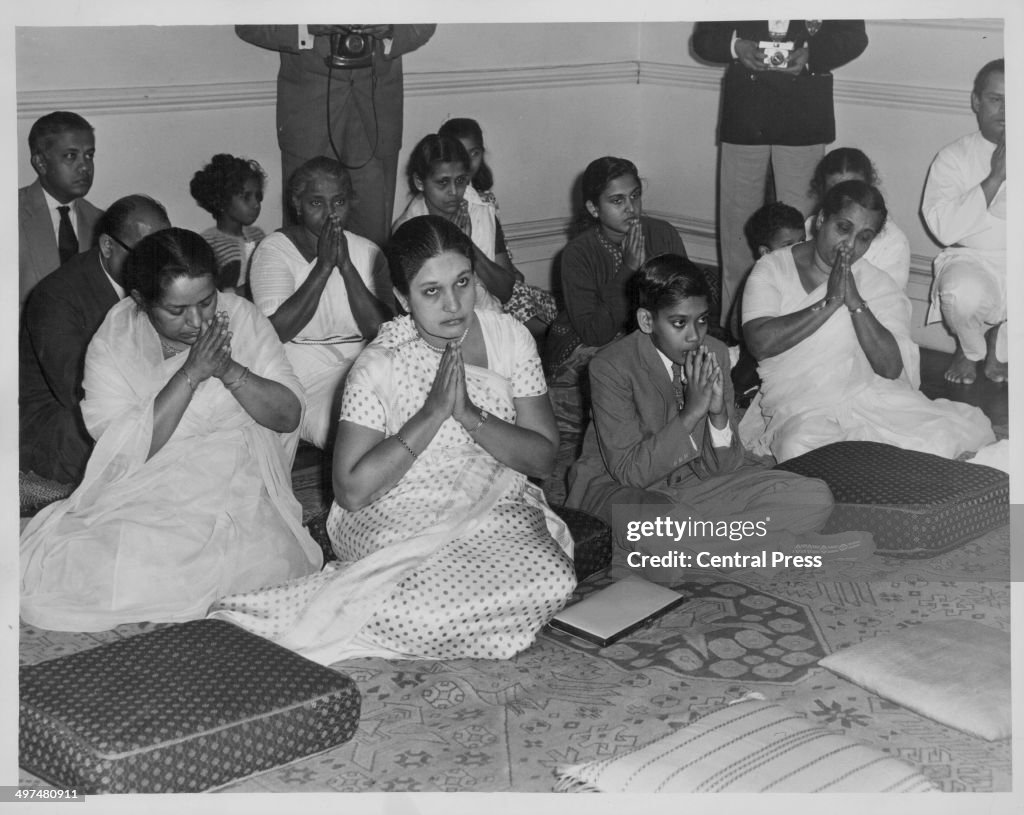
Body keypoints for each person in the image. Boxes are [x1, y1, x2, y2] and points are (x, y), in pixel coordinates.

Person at [209, 215, 576, 664]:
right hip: (395, 505)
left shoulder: (510, 339)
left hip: (493, 501)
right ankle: (342, 613)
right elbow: (352, 489)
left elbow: (542, 459)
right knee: (425, 602)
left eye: (462, 282)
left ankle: (408, 615)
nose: (453, 304)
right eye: (431, 291)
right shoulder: (379, 363)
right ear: (402, 298)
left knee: (552, 577)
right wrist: (432, 414)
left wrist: (469, 415)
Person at [20, 228, 322, 632]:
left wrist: (229, 370)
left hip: (237, 477)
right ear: (142, 301)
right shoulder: (114, 339)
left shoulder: (243, 318)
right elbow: (124, 450)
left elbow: (287, 416)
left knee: (246, 566)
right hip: (148, 478)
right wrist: (191, 374)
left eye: (206, 302)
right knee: (89, 568)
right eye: (177, 311)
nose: (197, 321)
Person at [566, 253, 836, 578]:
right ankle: (775, 549)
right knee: (661, 532)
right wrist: (693, 412)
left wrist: (719, 413)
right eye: (679, 323)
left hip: (699, 485)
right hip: (624, 490)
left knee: (814, 497)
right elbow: (630, 473)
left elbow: (726, 466)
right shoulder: (610, 366)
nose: (695, 336)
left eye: (703, 320)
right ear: (647, 321)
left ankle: (707, 550)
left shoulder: (716, 353)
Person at [740, 180, 994, 463]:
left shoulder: (875, 282)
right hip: (800, 409)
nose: (850, 244)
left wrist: (855, 302)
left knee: (939, 440)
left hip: (870, 396)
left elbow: (890, 368)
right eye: (844, 228)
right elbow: (760, 343)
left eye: (864, 237)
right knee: (797, 448)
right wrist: (829, 302)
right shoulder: (772, 267)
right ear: (822, 219)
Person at [691, 20, 868, 339]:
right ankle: (737, 333)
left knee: (804, 231)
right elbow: (703, 40)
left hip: (804, 114)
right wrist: (736, 46)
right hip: (745, 113)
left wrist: (811, 54)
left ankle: (801, 327)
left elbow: (854, 36)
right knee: (738, 233)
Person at [545, 156, 689, 502]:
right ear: (594, 208)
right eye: (617, 200)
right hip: (592, 345)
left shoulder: (663, 233)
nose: (631, 208)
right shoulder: (578, 253)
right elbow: (594, 331)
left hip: (656, 335)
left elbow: (686, 299)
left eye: (635, 196)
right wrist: (628, 269)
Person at [235, 24, 436, 247]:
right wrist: (308, 27)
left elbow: (423, 22)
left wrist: (389, 29)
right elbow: (248, 24)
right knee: (304, 242)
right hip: (309, 116)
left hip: (376, 113)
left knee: (372, 245)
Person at [20, 195, 171, 485]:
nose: (160, 266)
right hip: (60, 424)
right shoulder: (55, 296)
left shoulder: (151, 281)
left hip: (137, 404)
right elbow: (78, 392)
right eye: (146, 254)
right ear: (107, 246)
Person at [249, 157, 393, 450]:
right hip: (303, 369)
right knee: (356, 427)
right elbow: (275, 332)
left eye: (338, 202)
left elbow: (383, 331)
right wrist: (324, 267)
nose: (330, 215)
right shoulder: (274, 251)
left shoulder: (368, 252)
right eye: (316, 203)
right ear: (297, 204)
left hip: (366, 360)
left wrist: (347, 267)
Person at [922, 58, 1006, 385]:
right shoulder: (953, 157)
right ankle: (969, 348)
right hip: (972, 259)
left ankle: (1002, 340)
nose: (1005, 110)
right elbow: (943, 228)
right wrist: (995, 177)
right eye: (995, 99)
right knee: (960, 294)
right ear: (976, 101)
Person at [438, 117, 558, 337]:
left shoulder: (486, 201)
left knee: (554, 312)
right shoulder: (439, 204)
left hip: (498, 279)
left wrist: (509, 271)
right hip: (473, 292)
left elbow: (503, 261)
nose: (468, 162)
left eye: (474, 153)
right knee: (541, 328)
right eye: (459, 154)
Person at [392, 133, 517, 317]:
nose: (453, 192)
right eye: (442, 182)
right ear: (419, 182)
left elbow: (505, 292)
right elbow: (414, 306)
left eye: (460, 181)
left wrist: (467, 244)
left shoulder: (481, 212)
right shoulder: (406, 230)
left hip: (488, 318)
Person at [19, 111, 103, 308]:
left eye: (89, 155)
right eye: (70, 156)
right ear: (40, 163)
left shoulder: (100, 221)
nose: (85, 167)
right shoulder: (10, 213)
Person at [806, 147, 911, 291]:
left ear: (870, 187)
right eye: (834, 190)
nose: (846, 198)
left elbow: (888, 301)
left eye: (855, 188)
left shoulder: (894, 241)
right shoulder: (809, 226)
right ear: (822, 190)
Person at [189, 153, 268, 294]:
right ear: (221, 201)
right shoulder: (208, 243)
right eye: (246, 197)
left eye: (258, 196)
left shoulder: (259, 235)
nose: (256, 204)